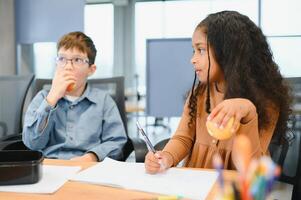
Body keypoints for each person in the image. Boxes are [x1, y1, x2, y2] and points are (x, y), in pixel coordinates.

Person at [144, 11, 291, 173]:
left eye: (200, 50)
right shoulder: (198, 94)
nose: (192, 59)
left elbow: (253, 169)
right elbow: (183, 138)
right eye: (193, 50)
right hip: (194, 186)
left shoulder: (266, 101)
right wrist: (166, 157)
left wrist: (248, 112)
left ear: (228, 53)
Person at [23, 31, 127, 162]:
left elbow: (116, 142)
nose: (67, 67)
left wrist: (92, 157)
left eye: (77, 60)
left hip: (89, 167)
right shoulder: (43, 98)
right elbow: (32, 143)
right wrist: (51, 99)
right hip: (50, 167)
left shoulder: (104, 101)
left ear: (91, 69)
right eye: (62, 59)